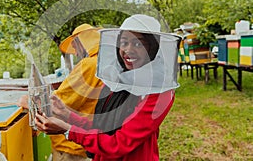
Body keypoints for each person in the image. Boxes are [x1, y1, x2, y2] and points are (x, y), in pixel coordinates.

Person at [35, 14, 182, 161]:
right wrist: (67, 115)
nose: (128, 49)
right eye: (124, 43)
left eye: (138, 44)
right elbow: (104, 125)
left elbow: (118, 143)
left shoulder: (159, 94)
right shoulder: (116, 81)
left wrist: (67, 130)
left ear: (153, 49)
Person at [18, 24, 103, 161]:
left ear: (82, 42)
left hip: (70, 147)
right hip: (86, 139)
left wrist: (27, 101)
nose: (75, 53)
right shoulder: (103, 63)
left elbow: (56, 104)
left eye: (75, 47)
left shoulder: (88, 65)